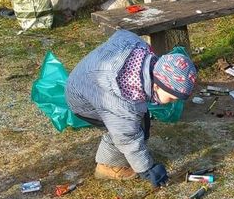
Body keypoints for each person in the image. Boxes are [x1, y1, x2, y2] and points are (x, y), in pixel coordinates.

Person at [65, 30, 197, 188]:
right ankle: (107, 166)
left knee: (140, 120)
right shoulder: (122, 100)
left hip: (87, 78)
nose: (172, 103)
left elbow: (123, 34)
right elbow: (127, 137)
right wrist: (146, 169)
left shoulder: (140, 50)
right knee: (127, 130)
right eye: (172, 97)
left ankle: (125, 157)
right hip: (82, 99)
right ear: (156, 85)